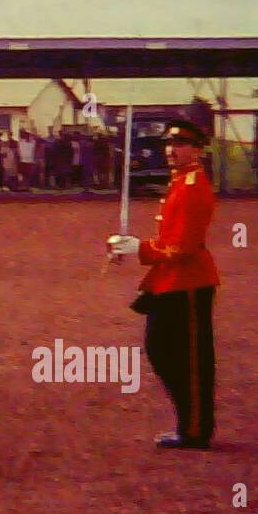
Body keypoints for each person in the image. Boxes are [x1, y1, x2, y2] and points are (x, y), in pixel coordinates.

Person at [106, 119, 220, 450]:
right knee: (162, 350)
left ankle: (195, 429)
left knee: (188, 359)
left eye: (180, 144)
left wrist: (138, 248)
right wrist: (130, 245)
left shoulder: (192, 186)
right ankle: (190, 424)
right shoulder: (181, 182)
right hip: (173, 281)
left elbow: (181, 248)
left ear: (197, 149)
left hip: (188, 282)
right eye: (168, 145)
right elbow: (169, 240)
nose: (171, 151)